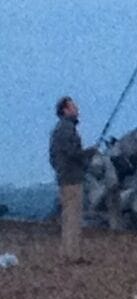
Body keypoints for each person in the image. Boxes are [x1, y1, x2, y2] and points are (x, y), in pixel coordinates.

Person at [49, 96, 90, 262]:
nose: (77, 109)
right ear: (65, 110)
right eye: (73, 107)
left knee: (68, 216)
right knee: (73, 217)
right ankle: (73, 255)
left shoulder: (60, 129)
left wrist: (60, 169)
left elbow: (54, 156)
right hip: (72, 179)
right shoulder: (66, 129)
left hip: (65, 177)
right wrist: (89, 154)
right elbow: (73, 153)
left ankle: (67, 253)